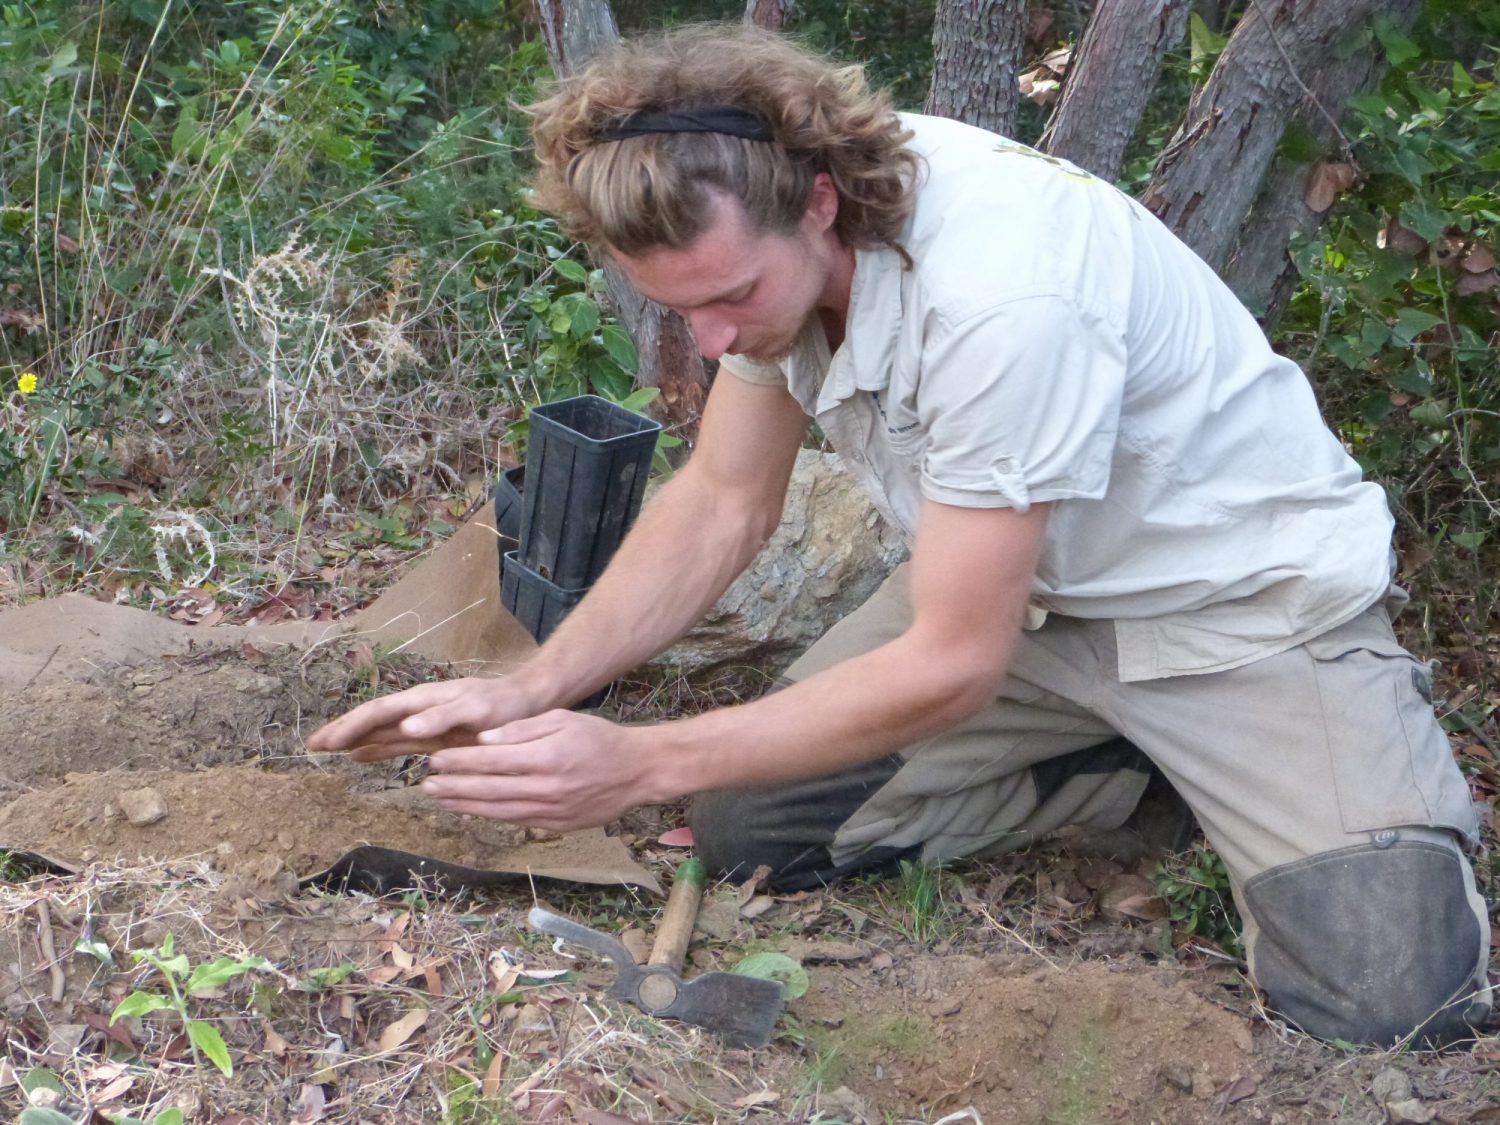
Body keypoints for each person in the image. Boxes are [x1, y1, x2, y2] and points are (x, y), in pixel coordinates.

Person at [308, 25, 1490, 1047]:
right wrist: (536, 686)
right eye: (682, 310)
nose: (713, 345)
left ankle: (1263, 760)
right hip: (1018, 602)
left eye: (731, 301)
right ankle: (1133, 772)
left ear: (819, 201)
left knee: (1388, 992)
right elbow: (724, 501)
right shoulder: (774, 219)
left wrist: (640, 763)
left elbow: (949, 664)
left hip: (1233, 614)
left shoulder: (1003, 298)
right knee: (756, 824)